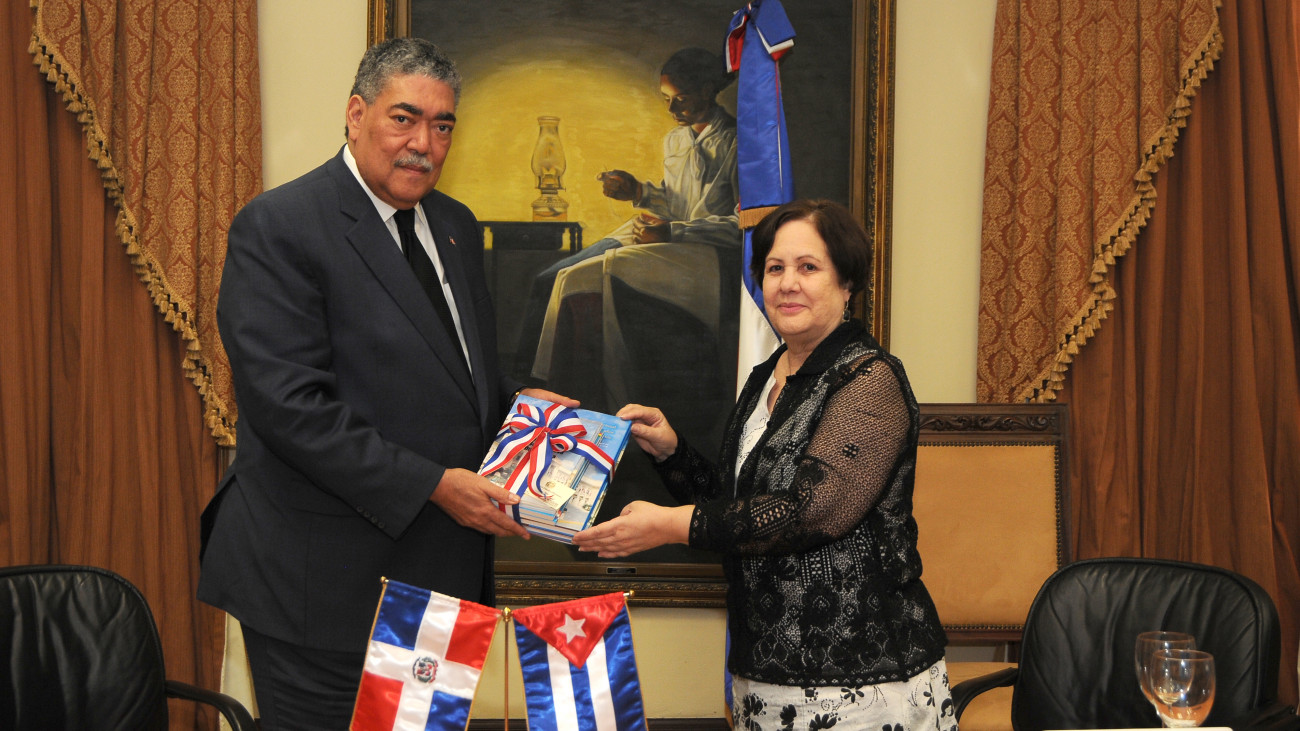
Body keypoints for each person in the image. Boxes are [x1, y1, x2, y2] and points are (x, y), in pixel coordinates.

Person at [197, 38, 574, 730]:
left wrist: (519, 404)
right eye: (404, 119)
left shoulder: (455, 224)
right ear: (355, 114)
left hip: (439, 581)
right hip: (320, 589)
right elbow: (291, 408)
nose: (423, 144)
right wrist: (435, 484)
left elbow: (449, 368)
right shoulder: (280, 226)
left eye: (442, 125)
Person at [573, 199, 956, 730]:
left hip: (862, 678)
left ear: (846, 282)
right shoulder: (767, 376)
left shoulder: (870, 380)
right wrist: (671, 451)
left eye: (808, 267)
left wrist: (669, 525)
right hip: (763, 673)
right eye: (775, 268)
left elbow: (810, 512)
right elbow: (738, 509)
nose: (787, 284)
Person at [517, 47, 740, 414]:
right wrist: (637, 191)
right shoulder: (675, 140)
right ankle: (526, 384)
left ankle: (568, 391)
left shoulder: (735, 142)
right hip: (666, 238)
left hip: (700, 255)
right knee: (550, 277)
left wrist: (672, 232)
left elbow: (741, 225)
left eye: (681, 99)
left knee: (580, 278)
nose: (671, 109)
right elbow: (676, 201)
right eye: (666, 99)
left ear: (707, 90)